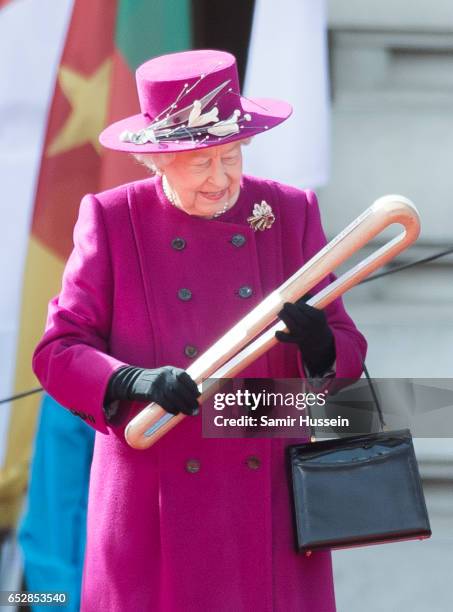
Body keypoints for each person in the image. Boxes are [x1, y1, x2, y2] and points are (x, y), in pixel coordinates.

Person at [32, 49, 367, 611]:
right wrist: (134, 382)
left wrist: (320, 346)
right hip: (155, 502)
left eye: (232, 156)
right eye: (200, 163)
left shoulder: (289, 210)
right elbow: (59, 350)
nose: (221, 179)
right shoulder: (113, 218)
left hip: (267, 504)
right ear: (158, 161)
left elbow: (347, 345)